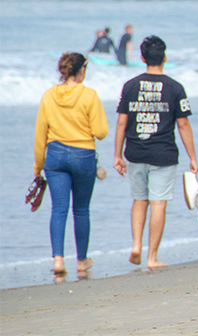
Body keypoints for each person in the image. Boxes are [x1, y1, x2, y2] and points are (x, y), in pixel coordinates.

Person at [114, 36, 198, 270]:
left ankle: (135, 245)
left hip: (134, 152)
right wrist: (192, 157)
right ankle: (151, 257)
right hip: (163, 154)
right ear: (165, 57)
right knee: (158, 203)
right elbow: (183, 125)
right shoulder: (175, 87)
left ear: (142, 58)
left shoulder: (130, 86)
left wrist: (117, 155)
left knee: (139, 199)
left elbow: (121, 123)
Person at [34, 53, 108, 277]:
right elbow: (101, 132)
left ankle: (58, 260)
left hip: (55, 156)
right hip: (83, 155)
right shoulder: (89, 95)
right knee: (81, 210)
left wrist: (38, 166)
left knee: (58, 209)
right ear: (81, 71)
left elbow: (40, 134)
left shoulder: (49, 95)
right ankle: (82, 261)